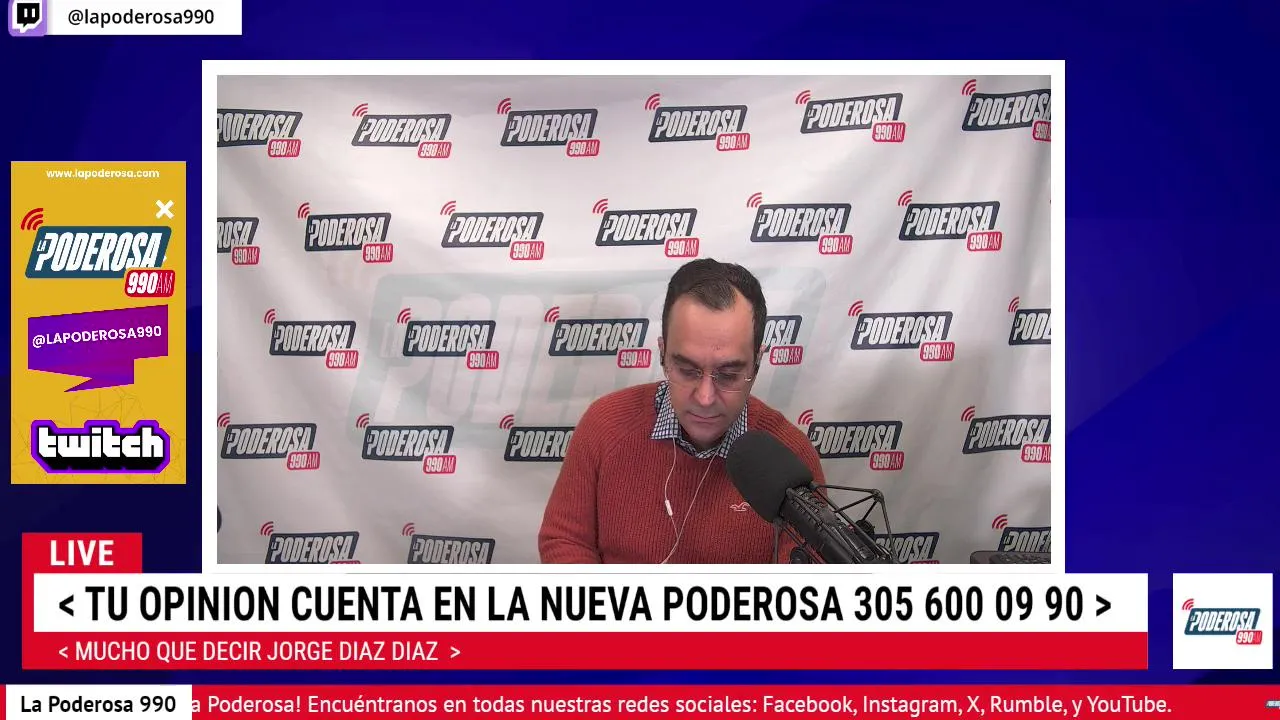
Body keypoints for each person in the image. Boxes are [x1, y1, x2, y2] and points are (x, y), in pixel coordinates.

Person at [538, 258, 826, 563]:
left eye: (728, 375)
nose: (705, 397)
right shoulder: (605, 426)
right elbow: (565, 539)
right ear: (663, 354)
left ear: (756, 364)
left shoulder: (792, 458)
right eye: (687, 371)